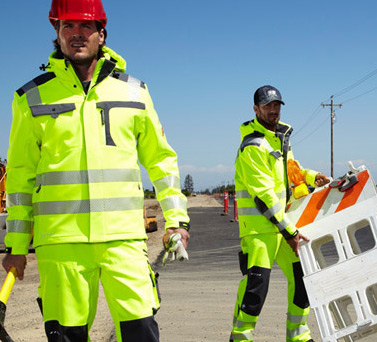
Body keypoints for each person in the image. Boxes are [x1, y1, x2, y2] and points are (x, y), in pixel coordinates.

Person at [2, 0, 190, 341]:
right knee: (67, 337)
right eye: (67, 27)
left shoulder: (134, 92)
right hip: (61, 244)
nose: (77, 34)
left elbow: (161, 161)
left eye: (85, 26)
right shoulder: (30, 98)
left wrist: (176, 219)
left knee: (141, 333)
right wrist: (15, 245)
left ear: (101, 34)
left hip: (124, 241)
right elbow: (19, 175)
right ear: (56, 35)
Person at [230, 85, 329, 342]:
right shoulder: (253, 146)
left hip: (283, 226)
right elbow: (263, 197)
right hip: (260, 232)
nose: (273, 110)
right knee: (256, 291)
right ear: (256, 109)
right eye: (267, 106)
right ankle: (240, 338)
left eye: (276, 106)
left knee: (302, 279)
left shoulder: (280, 140)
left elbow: (292, 172)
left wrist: (312, 176)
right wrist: (290, 231)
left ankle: (298, 336)